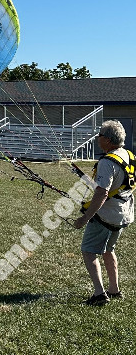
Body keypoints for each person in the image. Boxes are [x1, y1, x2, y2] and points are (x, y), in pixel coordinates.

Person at [74, 120, 135, 306]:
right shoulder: (128, 155)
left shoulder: (107, 162)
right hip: (124, 213)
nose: (97, 138)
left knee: (89, 251)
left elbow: (102, 193)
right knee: (108, 250)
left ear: (108, 140)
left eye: (100, 135)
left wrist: (85, 217)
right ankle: (114, 289)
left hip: (106, 215)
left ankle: (100, 294)